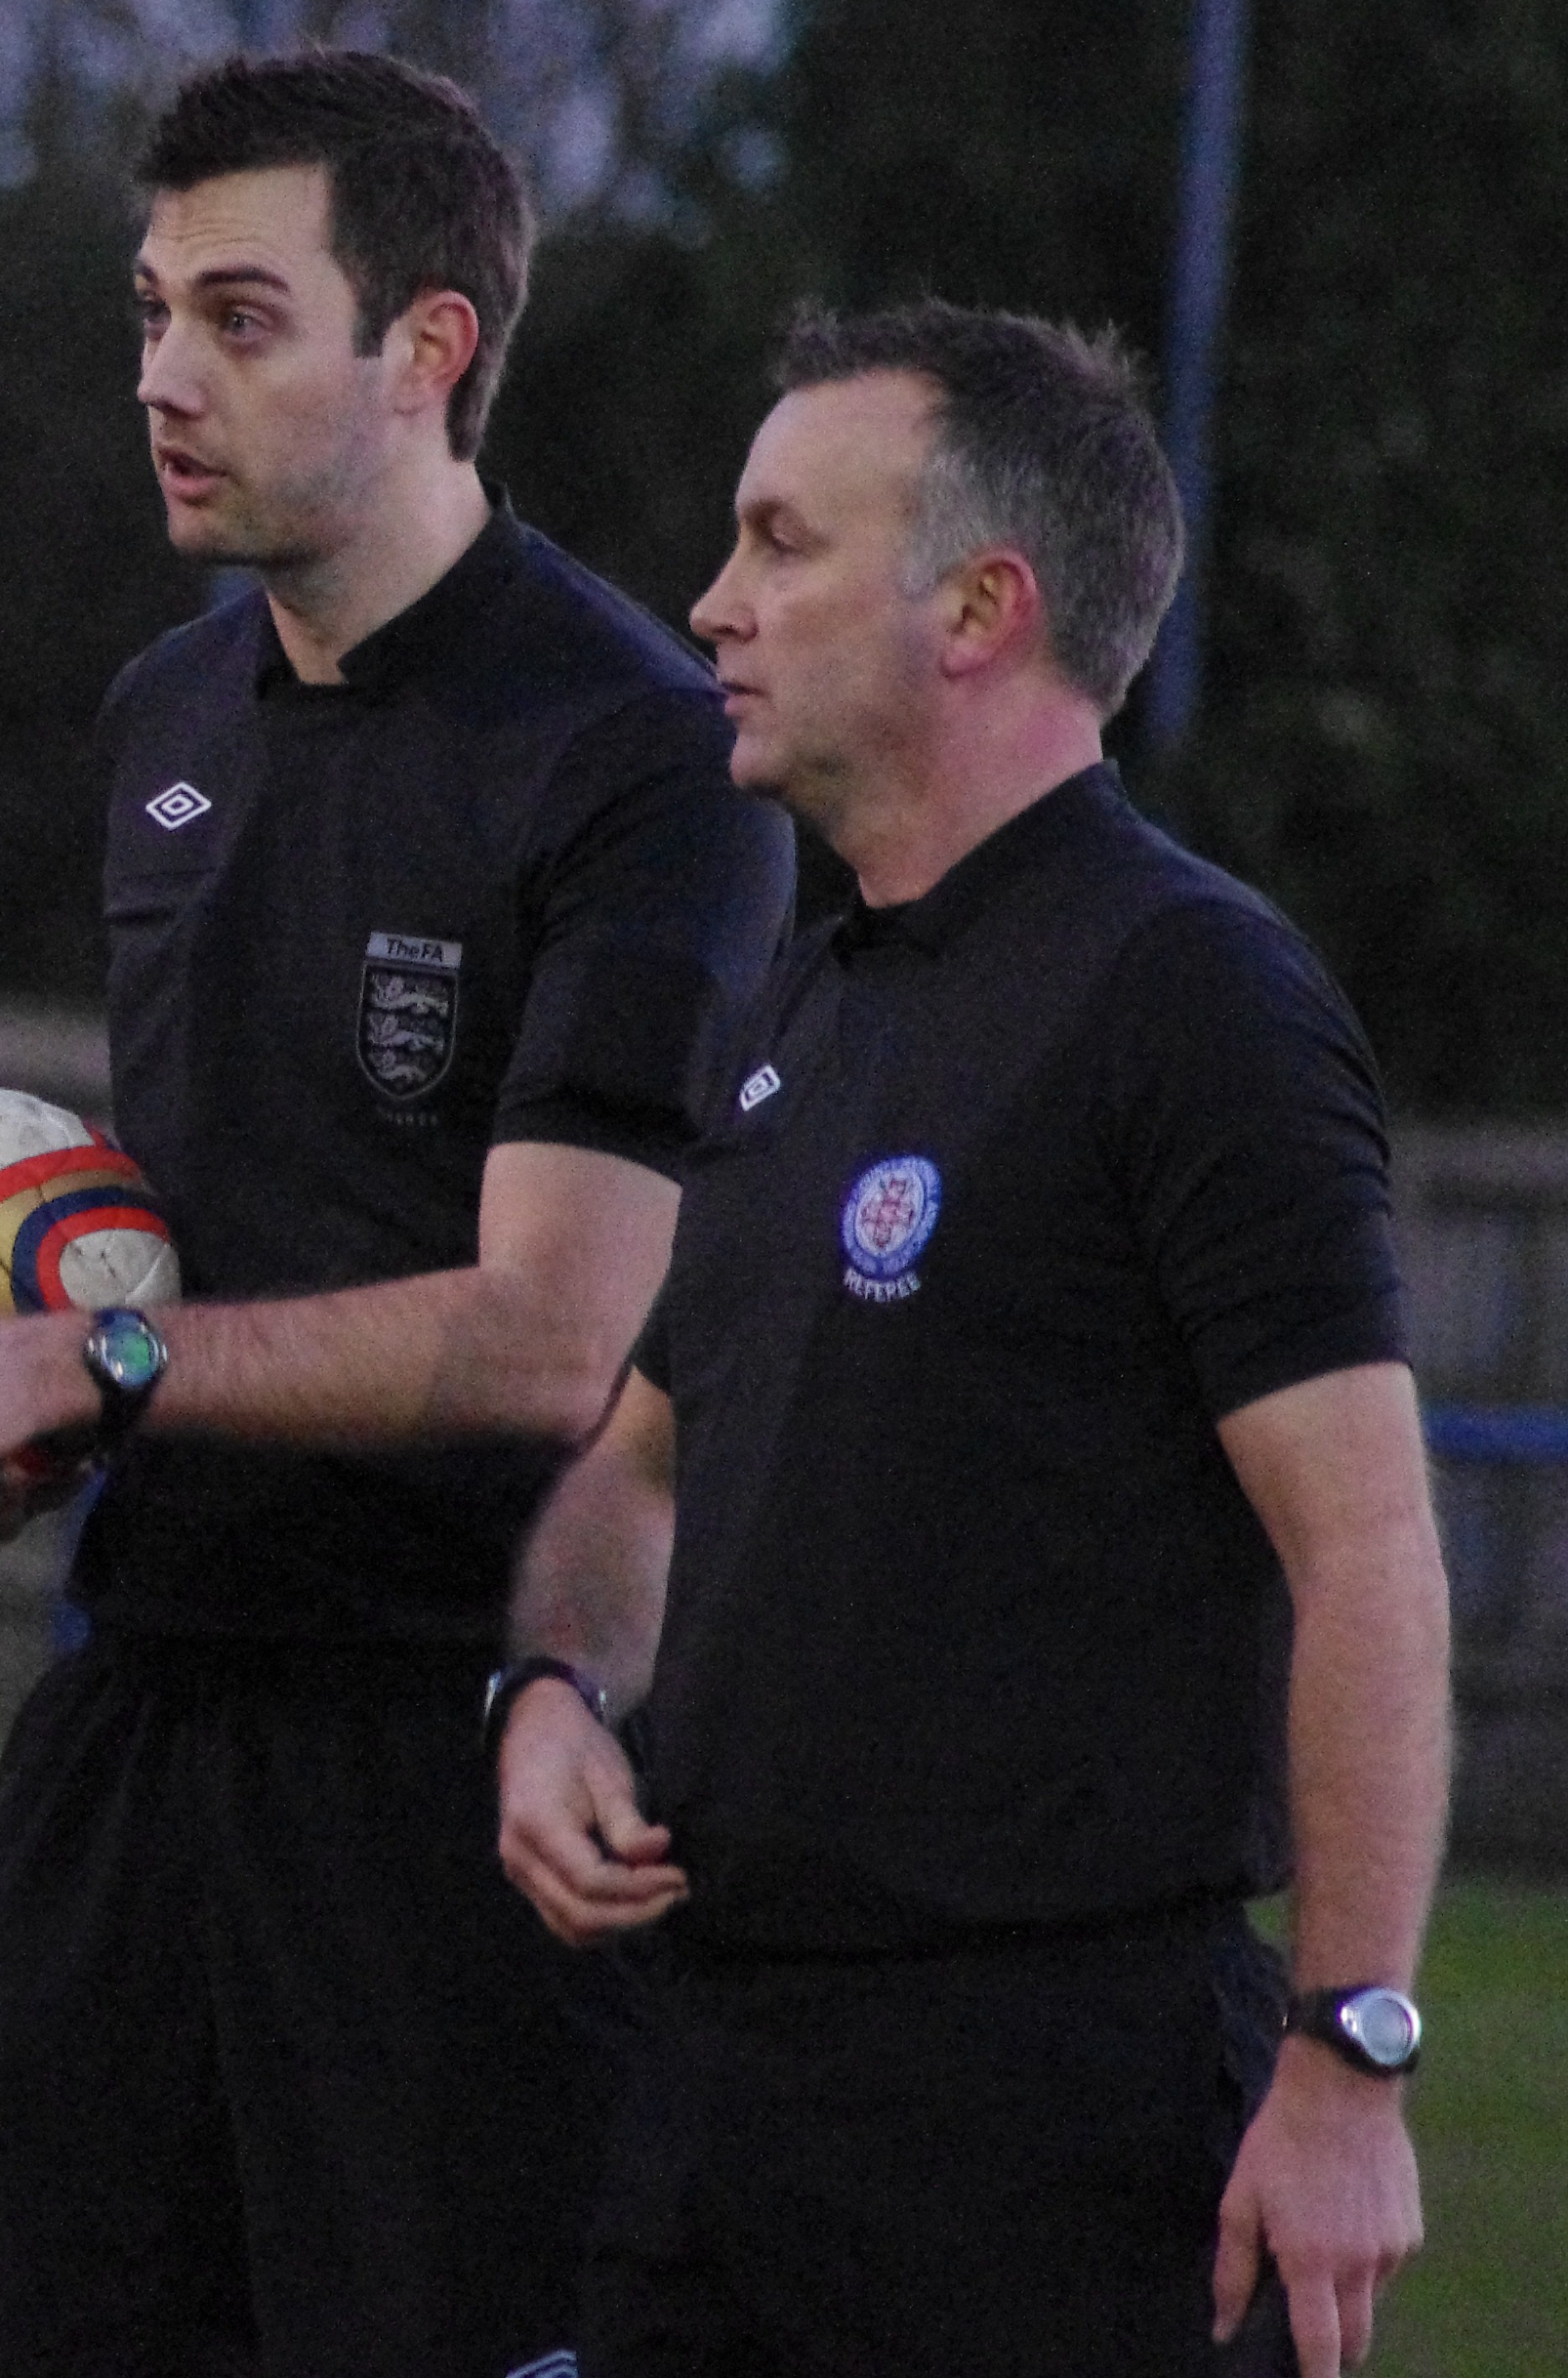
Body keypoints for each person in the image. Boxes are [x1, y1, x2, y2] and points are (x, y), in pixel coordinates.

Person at [0, 50, 792, 2378]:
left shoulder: (637, 758)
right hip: (133, 1731)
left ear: (426, 352)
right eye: (146, 315)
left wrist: (86, 1363)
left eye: (236, 319)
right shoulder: (167, 719)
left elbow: (557, 1331)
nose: (161, 382)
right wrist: (22, 1411)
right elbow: (196, 1253)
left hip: (456, 1769)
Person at [491, 303, 1447, 2377]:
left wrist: (1351, 2059)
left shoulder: (1192, 992)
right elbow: (639, 1467)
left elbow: (1366, 1547)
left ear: (981, 606)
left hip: (1058, 2121)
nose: (712, 600)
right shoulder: (807, 1007)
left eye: (780, 541)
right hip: (729, 2100)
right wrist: (555, 1685)